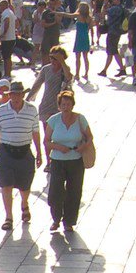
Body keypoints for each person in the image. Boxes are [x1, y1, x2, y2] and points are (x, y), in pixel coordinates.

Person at [0, 83, 41, 230]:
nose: (16, 97)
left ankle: (24, 203)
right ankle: (9, 217)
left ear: (23, 95)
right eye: (13, 94)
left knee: (25, 185)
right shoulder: (1, 110)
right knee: (6, 185)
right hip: (6, 151)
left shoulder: (31, 110)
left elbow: (36, 132)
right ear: (9, 95)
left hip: (24, 150)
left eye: (19, 94)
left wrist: (39, 153)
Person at [43, 90, 92, 232]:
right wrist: (58, 146)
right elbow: (46, 141)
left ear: (72, 105)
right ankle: (56, 219)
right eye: (63, 104)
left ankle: (69, 221)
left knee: (74, 191)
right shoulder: (53, 120)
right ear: (59, 106)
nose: (66, 107)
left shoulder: (80, 119)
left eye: (68, 104)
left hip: (75, 160)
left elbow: (89, 137)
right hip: (58, 160)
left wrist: (84, 146)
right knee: (55, 192)